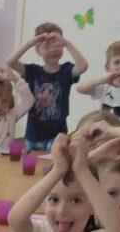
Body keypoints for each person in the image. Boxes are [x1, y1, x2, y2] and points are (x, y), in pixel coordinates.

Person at [6, 22, 89, 151]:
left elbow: (83, 66)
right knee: (32, 163)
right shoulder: (32, 71)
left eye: (57, 45)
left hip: (57, 136)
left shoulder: (67, 71)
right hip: (33, 136)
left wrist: (66, 43)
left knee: (54, 162)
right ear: (38, 50)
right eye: (47, 46)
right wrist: (32, 42)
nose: (53, 50)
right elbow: (10, 62)